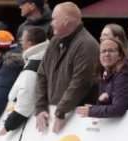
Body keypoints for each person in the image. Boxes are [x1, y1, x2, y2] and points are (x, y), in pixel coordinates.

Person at [34, 2, 99, 134]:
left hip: (78, 119)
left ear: (66, 20)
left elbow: (80, 83)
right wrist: (40, 107)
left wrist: (61, 111)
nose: (51, 23)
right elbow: (41, 74)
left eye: (54, 19)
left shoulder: (87, 44)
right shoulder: (54, 41)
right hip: (55, 113)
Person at [0, 26, 49, 135]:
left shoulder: (32, 68)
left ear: (30, 44)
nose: (21, 44)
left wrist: (7, 127)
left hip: (33, 128)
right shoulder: (44, 58)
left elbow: (25, 106)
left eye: (22, 40)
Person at [76, 37, 128, 118]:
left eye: (111, 50)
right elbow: (107, 104)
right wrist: (101, 102)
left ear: (120, 56)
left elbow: (118, 108)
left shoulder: (124, 76)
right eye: (103, 51)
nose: (107, 54)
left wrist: (92, 111)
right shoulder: (105, 74)